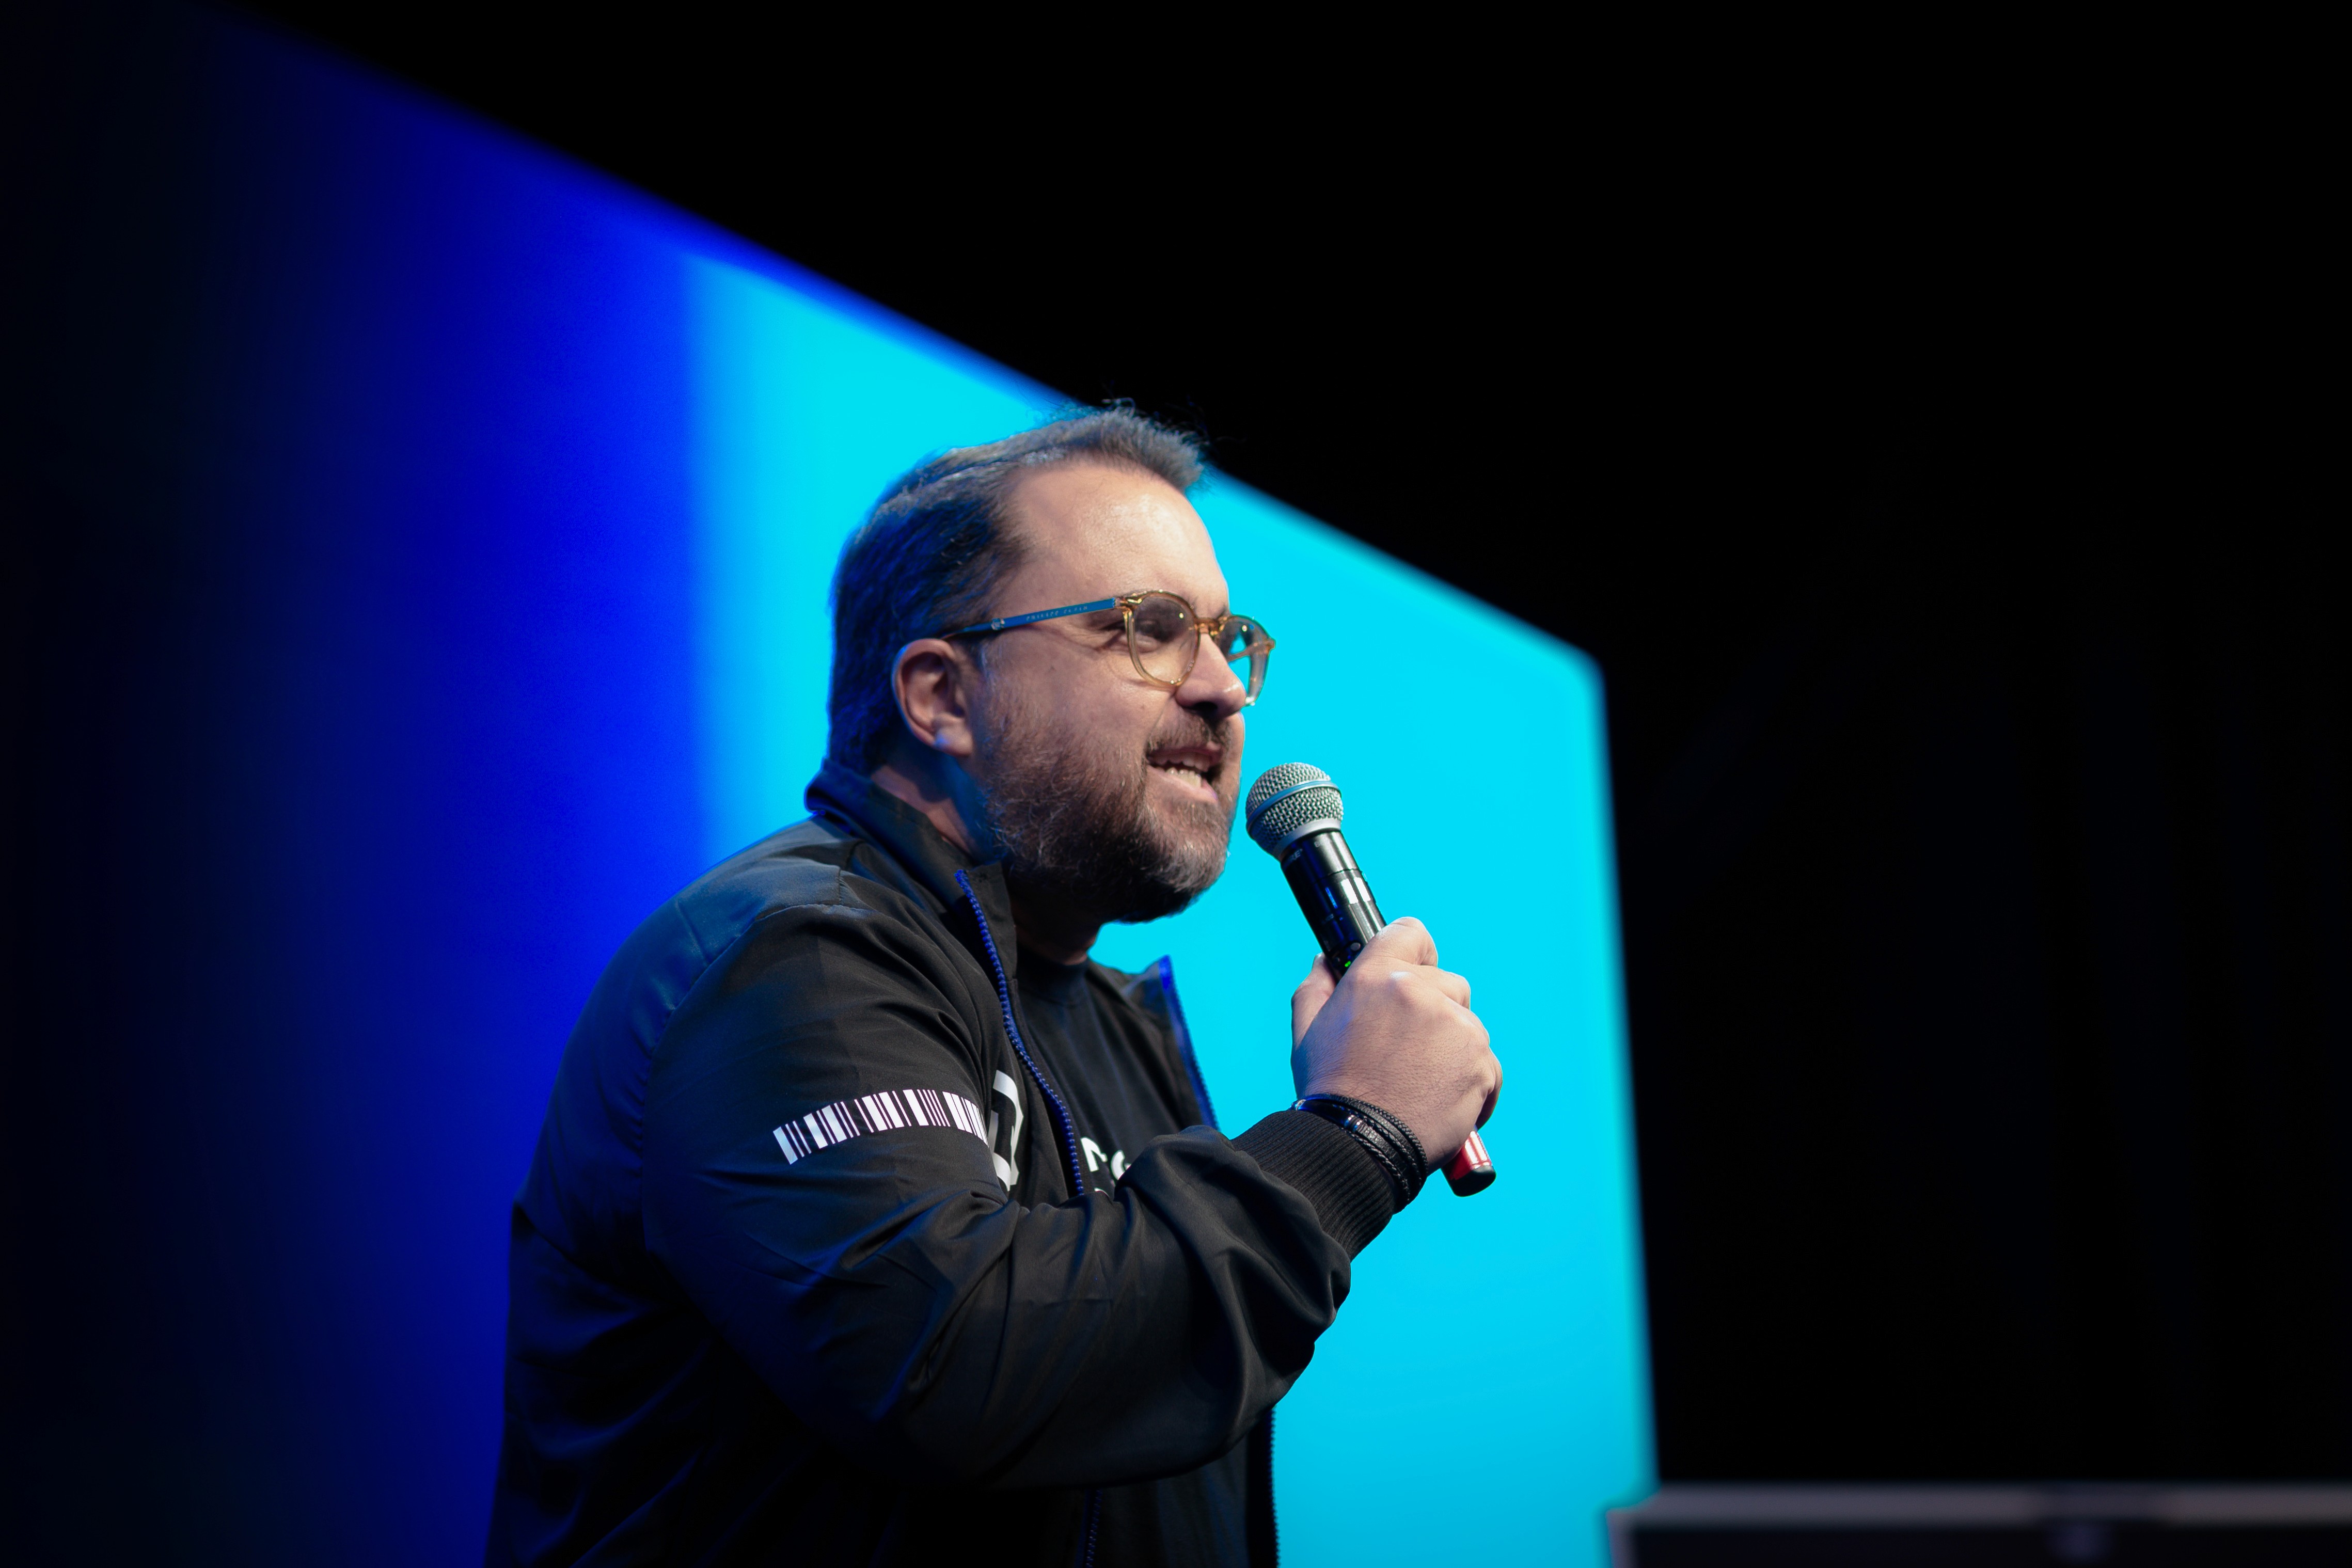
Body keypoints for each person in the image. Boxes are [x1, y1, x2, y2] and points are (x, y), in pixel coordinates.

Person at [486, 408, 1502, 1566]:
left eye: (1229, 639)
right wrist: (1354, 1133)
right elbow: (951, 1363)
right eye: (1151, 628)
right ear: (942, 697)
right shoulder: (793, 956)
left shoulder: (1110, 1021)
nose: (1224, 688)